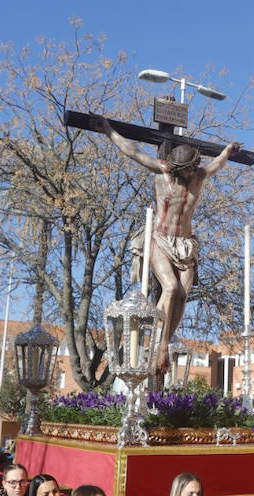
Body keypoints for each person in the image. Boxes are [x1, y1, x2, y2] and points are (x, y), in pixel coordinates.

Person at [100, 123, 240, 366]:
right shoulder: (162, 172)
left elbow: (216, 163)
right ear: (178, 167)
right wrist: (106, 128)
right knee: (171, 288)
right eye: (188, 169)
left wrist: (227, 152)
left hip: (185, 244)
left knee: (184, 294)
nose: (193, 171)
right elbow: (132, 151)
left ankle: (165, 339)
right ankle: (160, 345)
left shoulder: (199, 176)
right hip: (160, 238)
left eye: (194, 167)